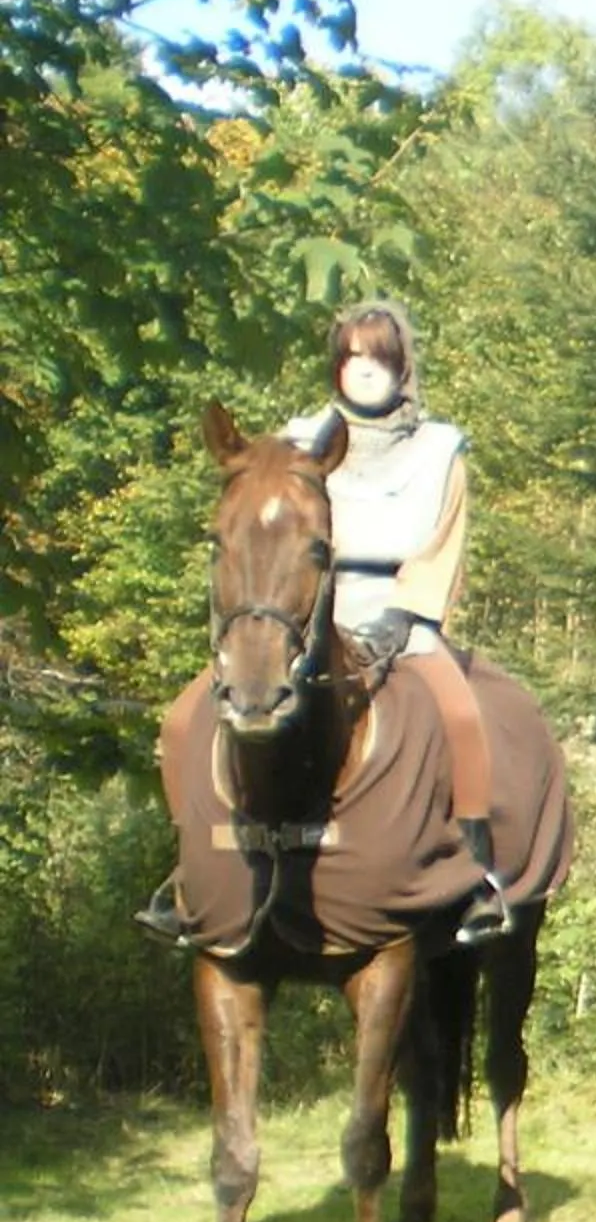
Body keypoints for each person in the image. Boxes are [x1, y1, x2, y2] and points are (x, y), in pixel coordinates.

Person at [142, 300, 510, 947]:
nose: (364, 370)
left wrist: (410, 611)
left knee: (460, 714)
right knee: (179, 721)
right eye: (352, 357)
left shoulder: (438, 451)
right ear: (336, 365)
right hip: (303, 611)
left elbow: (444, 545)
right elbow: (268, 531)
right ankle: (186, 873)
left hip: (400, 609)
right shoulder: (296, 441)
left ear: (401, 368)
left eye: (379, 358)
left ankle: (474, 873)